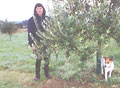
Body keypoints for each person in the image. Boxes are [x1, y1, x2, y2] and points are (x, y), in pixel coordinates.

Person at [28, 3, 51, 81]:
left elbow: (51, 30)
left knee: (47, 58)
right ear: (35, 10)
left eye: (40, 8)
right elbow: (29, 33)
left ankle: (47, 73)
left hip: (46, 42)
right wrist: (31, 44)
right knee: (38, 59)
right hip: (37, 43)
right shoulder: (31, 20)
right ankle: (37, 75)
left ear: (43, 9)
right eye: (37, 8)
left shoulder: (47, 18)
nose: (39, 10)